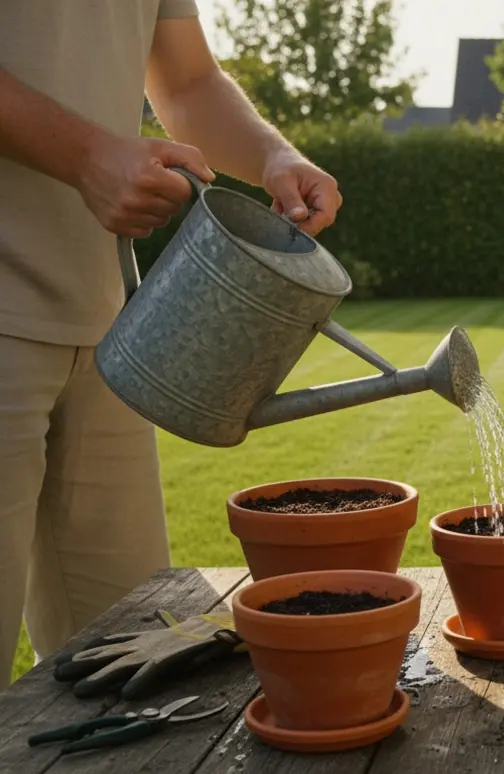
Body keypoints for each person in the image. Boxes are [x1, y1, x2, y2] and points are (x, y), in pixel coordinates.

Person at [0, 0, 342, 677]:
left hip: (111, 335)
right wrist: (89, 156)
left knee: (132, 662)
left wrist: (274, 155)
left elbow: (186, 81)